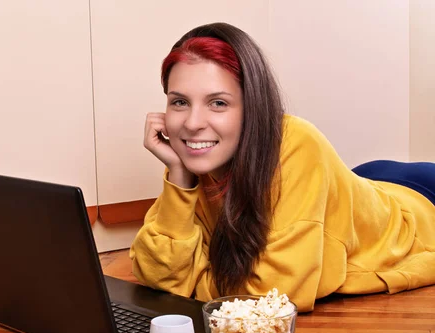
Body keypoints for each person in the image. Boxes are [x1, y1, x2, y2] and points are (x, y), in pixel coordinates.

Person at [129, 22, 435, 312]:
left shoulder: (298, 143)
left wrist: (194, 280)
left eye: (218, 103)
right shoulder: (197, 161)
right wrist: (180, 179)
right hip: (364, 183)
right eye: (179, 102)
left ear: (253, 106)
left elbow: (272, 297)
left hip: (421, 205)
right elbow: (157, 275)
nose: (193, 124)